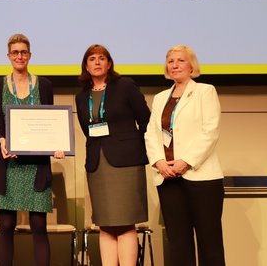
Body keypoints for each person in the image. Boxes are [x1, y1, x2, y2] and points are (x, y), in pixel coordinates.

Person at [143, 45, 225, 266]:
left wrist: (185, 162)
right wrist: (159, 162)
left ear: (192, 66)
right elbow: (151, 133)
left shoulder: (205, 91)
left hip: (201, 178)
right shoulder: (160, 97)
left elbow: (210, 131)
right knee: (178, 244)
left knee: (210, 243)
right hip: (168, 178)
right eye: (170, 61)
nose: (175, 65)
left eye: (180, 60)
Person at [0, 34, 64, 266]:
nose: (19, 56)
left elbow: (53, 121)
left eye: (23, 52)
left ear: (29, 55)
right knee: (7, 225)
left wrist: (58, 144)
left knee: (39, 226)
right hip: (7, 162)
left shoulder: (44, 85)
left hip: (37, 164)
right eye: (15, 52)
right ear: (8, 56)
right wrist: (0, 139)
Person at [75, 44, 151, 266]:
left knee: (126, 223)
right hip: (98, 164)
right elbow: (85, 129)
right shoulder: (82, 96)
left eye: (101, 58)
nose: (97, 62)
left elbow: (146, 120)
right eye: (91, 59)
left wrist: (137, 146)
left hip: (126, 162)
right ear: (86, 66)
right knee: (105, 223)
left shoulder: (125, 85)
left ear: (109, 63)